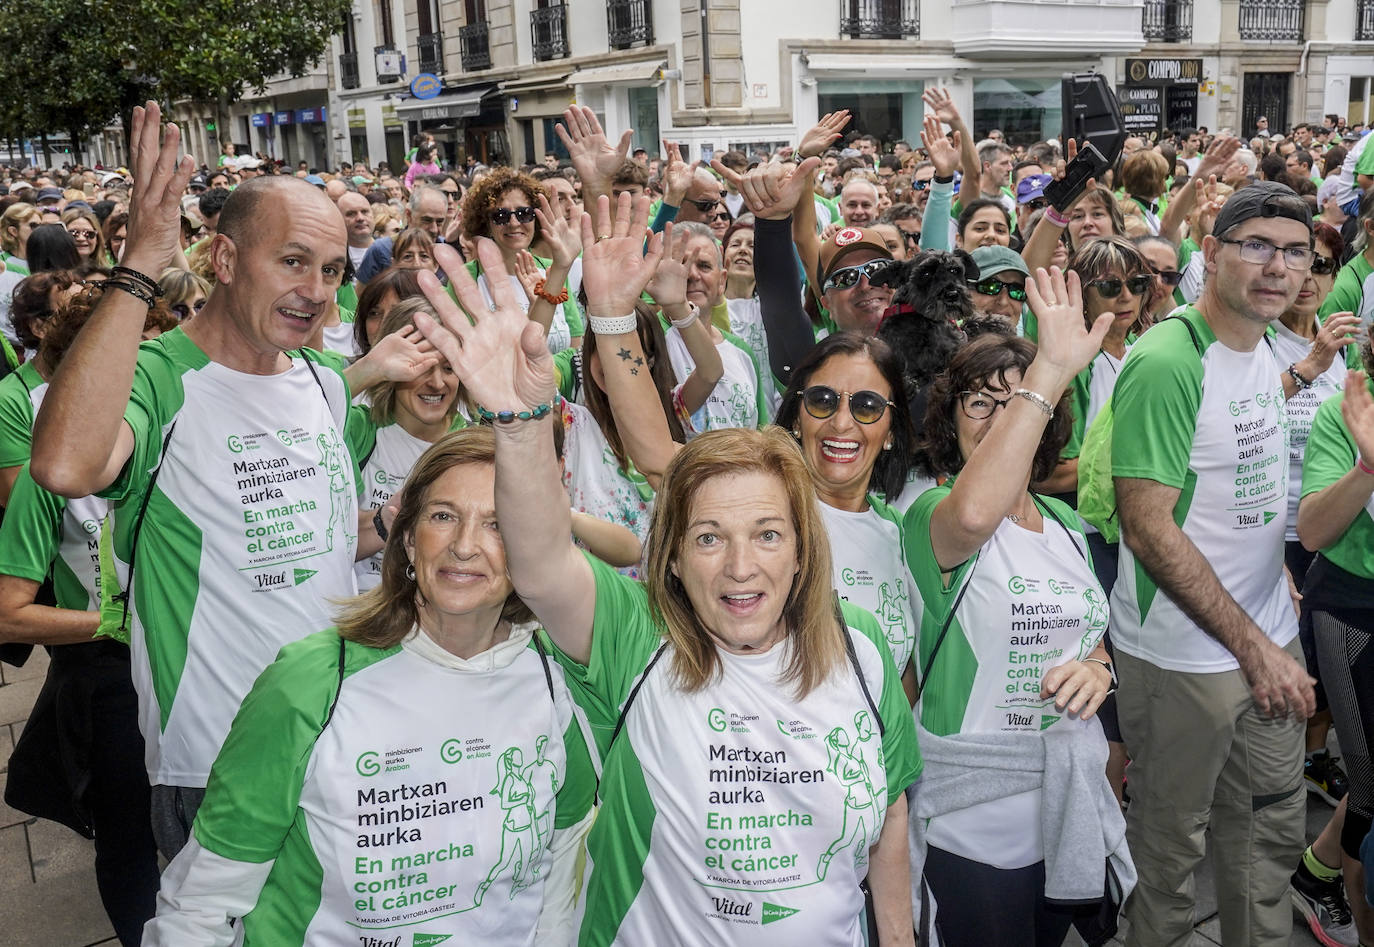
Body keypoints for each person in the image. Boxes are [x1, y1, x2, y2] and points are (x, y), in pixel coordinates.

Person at [410, 197, 922, 943]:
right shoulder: (635, 637)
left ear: (806, 549)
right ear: (671, 555)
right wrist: (518, 426)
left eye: (769, 534)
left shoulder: (861, 643)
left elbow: (893, 810)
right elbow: (544, 564)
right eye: (710, 537)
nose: (740, 567)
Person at [28, 103, 428, 859]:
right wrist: (141, 262)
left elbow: (319, 539)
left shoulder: (325, 382)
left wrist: (393, 521)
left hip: (337, 735)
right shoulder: (158, 377)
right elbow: (64, 466)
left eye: (333, 269)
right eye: (293, 260)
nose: (317, 289)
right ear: (224, 259)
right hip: (216, 759)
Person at [143, 428, 597, 945]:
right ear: (407, 538)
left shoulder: (558, 679)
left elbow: (562, 870)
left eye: (496, 524)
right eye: (443, 516)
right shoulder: (312, 681)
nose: (465, 546)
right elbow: (201, 901)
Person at [1111, 182, 1318, 946]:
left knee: (1266, 840)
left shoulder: (1262, 342)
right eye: (1256, 245)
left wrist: (1276, 578)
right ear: (1211, 252)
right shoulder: (1168, 360)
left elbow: (1241, 485)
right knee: (1169, 858)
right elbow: (1147, 528)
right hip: (1186, 660)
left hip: (1266, 635)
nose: (1278, 266)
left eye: (1295, 251)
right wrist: (1255, 648)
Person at [906, 284, 1129, 944]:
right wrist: (1048, 373)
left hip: (1064, 812)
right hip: (973, 828)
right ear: (951, 420)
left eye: (1018, 402)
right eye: (982, 403)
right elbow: (977, 515)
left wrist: (1099, 671)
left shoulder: (1064, 522)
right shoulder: (932, 513)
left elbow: (1094, 641)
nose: (1004, 417)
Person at [774, 333, 921, 675]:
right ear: (797, 419)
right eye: (822, 400)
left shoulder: (897, 532)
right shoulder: (764, 515)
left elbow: (902, 668)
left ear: (891, 432)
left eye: (867, 406)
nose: (841, 423)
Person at [1292, 340, 1374, 947]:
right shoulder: (1347, 408)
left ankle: (1315, 870)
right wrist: (1369, 466)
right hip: (1354, 610)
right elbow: (1314, 528)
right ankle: (1340, 897)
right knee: (1371, 787)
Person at [351, 296, 465, 591]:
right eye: (421, 366)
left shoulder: (473, 444)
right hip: (365, 609)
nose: (437, 383)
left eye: (449, 368)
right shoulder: (359, 429)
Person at [460, 169, 582, 352]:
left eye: (524, 213)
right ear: (486, 223)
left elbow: (575, 346)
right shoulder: (464, 278)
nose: (514, 223)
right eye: (501, 215)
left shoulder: (554, 270)